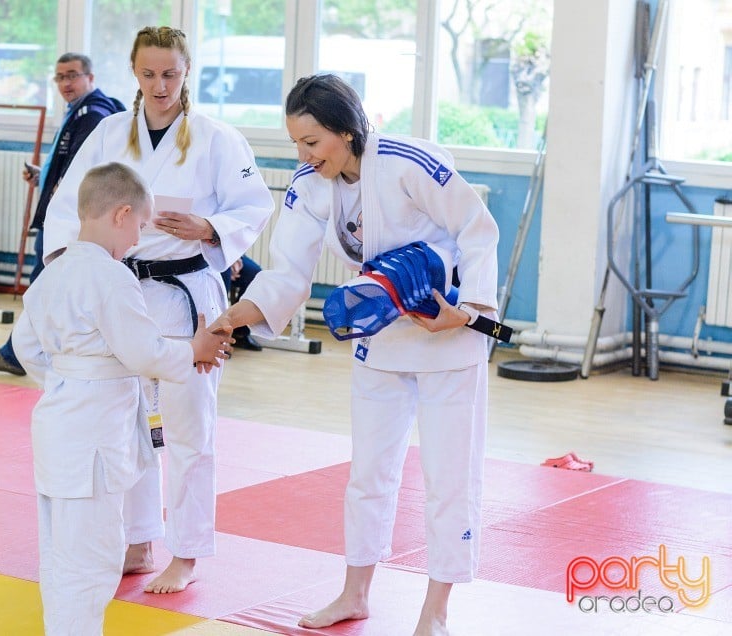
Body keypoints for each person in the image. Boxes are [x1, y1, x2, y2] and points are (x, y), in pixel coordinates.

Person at [209, 74, 500, 635]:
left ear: (347, 131)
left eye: (312, 142)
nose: (302, 154)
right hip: (380, 338)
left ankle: (435, 611)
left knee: (448, 477)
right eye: (296, 142)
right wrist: (233, 316)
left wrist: (469, 312)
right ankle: (355, 592)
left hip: (449, 336)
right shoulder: (312, 183)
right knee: (368, 473)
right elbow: (289, 270)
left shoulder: (408, 163)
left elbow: (477, 227)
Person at [42, 27, 274, 594]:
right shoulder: (108, 133)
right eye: (148, 74)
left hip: (188, 293)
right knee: (127, 422)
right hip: (122, 292)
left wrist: (210, 227)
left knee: (189, 425)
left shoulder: (217, 139)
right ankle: (139, 537)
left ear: (187, 71)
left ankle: (188, 550)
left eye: (170, 73)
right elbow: (69, 205)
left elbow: (254, 204)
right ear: (134, 74)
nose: (159, 85)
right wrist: (71, 272)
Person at [11, 162, 232, 635]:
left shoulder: (51, 273)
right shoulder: (111, 277)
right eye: (138, 227)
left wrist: (70, 376)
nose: (136, 241)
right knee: (93, 558)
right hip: (93, 431)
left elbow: (26, 347)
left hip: (58, 420)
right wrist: (195, 349)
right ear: (122, 214)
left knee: (60, 551)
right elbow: (143, 352)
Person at [0, 52, 126, 376]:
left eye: (72, 75)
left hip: (66, 221)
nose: (65, 84)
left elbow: (81, 172)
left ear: (91, 78)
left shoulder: (92, 115)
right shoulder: (82, 113)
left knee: (43, 288)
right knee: (49, 289)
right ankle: (23, 352)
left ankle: (17, 354)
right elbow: (67, 168)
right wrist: (42, 177)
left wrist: (60, 195)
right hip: (68, 216)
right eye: (59, 77)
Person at [221, 255, 263, 351]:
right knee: (225, 273)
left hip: (230, 252)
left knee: (255, 273)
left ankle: (240, 333)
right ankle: (218, 338)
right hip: (209, 254)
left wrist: (235, 257)